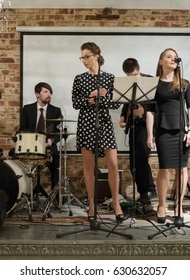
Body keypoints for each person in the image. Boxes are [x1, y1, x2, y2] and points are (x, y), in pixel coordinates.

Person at [72, 42, 124, 222]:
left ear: (97, 55)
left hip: (104, 121)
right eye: (82, 57)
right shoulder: (79, 78)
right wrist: (91, 99)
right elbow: (75, 103)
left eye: (87, 56)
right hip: (86, 122)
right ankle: (92, 204)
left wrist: (103, 98)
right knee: (89, 167)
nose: (84, 60)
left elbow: (117, 103)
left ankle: (116, 203)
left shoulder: (109, 78)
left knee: (113, 165)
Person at [146, 48, 190, 223]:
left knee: (182, 169)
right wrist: (150, 134)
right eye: (168, 56)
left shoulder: (184, 83)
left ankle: (179, 205)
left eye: (174, 57)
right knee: (164, 168)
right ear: (161, 61)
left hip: (182, 130)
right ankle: (161, 205)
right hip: (163, 130)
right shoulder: (154, 84)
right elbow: (150, 111)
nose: (173, 59)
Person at [118, 58, 156, 205]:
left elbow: (154, 106)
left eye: (134, 75)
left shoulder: (150, 81)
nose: (132, 79)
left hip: (146, 125)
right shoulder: (128, 83)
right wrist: (123, 116)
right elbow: (126, 101)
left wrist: (141, 113)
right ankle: (143, 194)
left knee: (141, 158)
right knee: (133, 161)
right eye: (129, 77)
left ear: (139, 69)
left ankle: (149, 190)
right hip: (133, 124)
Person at [19, 82, 62, 192]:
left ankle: (55, 197)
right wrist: (34, 139)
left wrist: (51, 141)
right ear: (37, 94)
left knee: (56, 164)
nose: (49, 95)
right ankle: (25, 192)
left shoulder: (56, 111)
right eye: (46, 91)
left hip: (49, 146)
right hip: (31, 145)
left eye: (50, 93)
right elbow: (23, 129)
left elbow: (59, 132)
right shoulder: (27, 109)